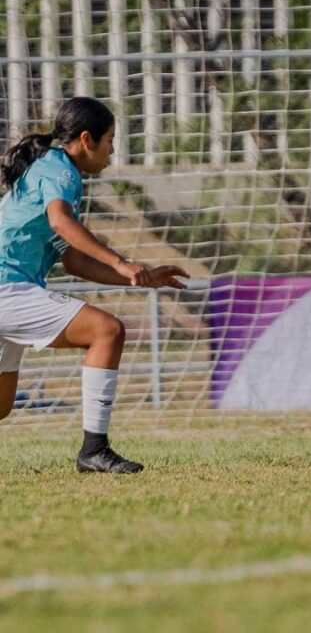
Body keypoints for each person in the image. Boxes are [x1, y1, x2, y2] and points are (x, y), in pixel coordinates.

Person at [0, 97, 189, 473]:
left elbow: (73, 259)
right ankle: (94, 450)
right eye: (110, 140)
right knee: (107, 331)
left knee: (1, 405)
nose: (112, 151)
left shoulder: (51, 169)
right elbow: (59, 221)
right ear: (86, 139)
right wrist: (120, 261)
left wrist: (137, 275)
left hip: (10, 289)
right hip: (7, 289)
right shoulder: (62, 171)